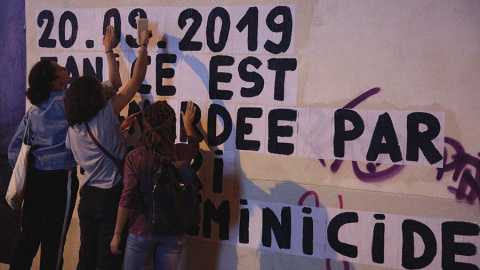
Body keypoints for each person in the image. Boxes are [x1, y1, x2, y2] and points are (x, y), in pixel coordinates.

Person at [64, 26, 151, 269]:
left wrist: (108, 47)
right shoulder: (106, 113)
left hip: (88, 196)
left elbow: (114, 82)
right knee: (107, 259)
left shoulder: (73, 126)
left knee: (86, 256)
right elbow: (135, 80)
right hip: (110, 196)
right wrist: (143, 45)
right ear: (95, 98)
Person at [110, 100, 200, 270]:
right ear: (172, 127)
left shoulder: (136, 157)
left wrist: (116, 234)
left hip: (141, 230)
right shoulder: (180, 153)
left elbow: (127, 198)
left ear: (146, 126)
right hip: (173, 230)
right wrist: (188, 124)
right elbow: (194, 148)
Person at [7, 59, 78, 269]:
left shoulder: (33, 112)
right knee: (54, 244)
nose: (66, 68)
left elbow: (14, 151)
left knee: (28, 238)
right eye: (60, 68)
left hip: (36, 179)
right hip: (61, 179)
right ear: (55, 83)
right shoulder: (73, 104)